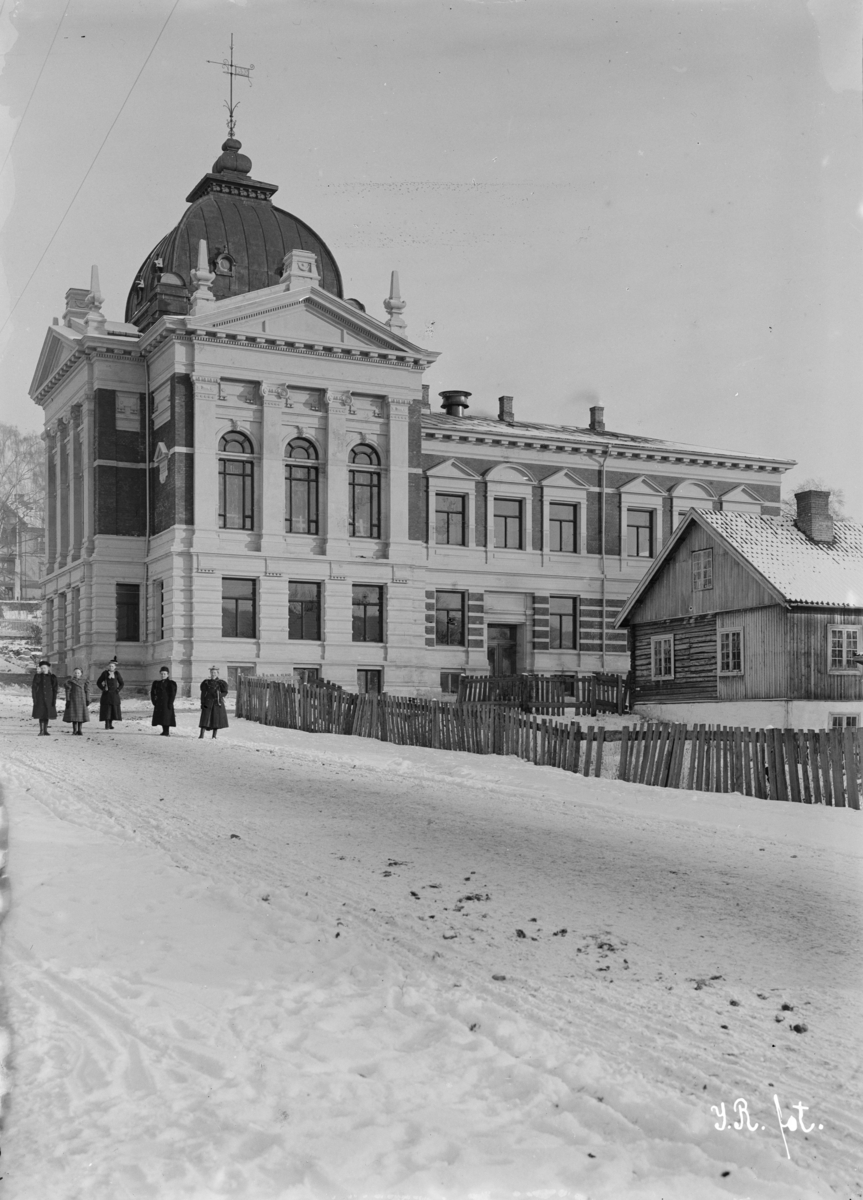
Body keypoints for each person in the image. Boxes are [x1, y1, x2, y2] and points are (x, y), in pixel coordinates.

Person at [199, 666, 229, 739]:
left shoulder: (221, 683)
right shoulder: (206, 682)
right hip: (207, 702)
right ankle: (201, 735)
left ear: (218, 673)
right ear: (210, 673)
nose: (213, 674)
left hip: (217, 703)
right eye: (212, 672)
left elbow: (225, 692)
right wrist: (202, 702)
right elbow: (203, 693)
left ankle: (214, 736)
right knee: (205, 718)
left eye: (215, 673)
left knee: (215, 718)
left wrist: (219, 695)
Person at [31, 659, 58, 735]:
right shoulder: (38, 676)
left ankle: (45, 730)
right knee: (41, 714)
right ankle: (41, 730)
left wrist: (54, 699)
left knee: (47, 714)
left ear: (48, 668)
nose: (43, 669)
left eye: (44, 668)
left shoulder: (52, 677)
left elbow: (55, 688)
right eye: (42, 668)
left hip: (49, 698)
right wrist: (34, 698)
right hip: (40, 698)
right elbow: (34, 687)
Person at [96, 659, 124, 729]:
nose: (111, 667)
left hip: (114, 695)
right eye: (110, 666)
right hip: (106, 695)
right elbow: (98, 682)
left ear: (115, 667)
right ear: (108, 667)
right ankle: (107, 724)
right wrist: (103, 689)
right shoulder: (105, 673)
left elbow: (122, 683)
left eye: (112, 666)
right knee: (107, 709)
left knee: (113, 709)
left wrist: (118, 689)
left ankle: (110, 724)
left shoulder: (117, 674)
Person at [63, 667, 90, 735]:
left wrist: (87, 699)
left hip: (82, 699)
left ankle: (80, 730)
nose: (77, 674)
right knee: (74, 715)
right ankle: (75, 730)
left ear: (81, 674)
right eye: (75, 673)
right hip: (73, 700)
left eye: (78, 673)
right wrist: (68, 700)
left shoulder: (84, 681)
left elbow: (87, 691)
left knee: (81, 715)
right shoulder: (70, 681)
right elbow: (68, 691)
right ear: (73, 673)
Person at [151, 666, 177, 736]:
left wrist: (170, 703)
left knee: (166, 717)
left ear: (168, 674)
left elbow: (173, 694)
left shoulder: (171, 683)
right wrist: (154, 701)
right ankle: (164, 731)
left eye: (164, 674)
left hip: (167, 702)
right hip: (159, 702)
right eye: (162, 674)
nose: (163, 675)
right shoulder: (157, 683)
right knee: (161, 716)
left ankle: (167, 731)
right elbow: (152, 693)